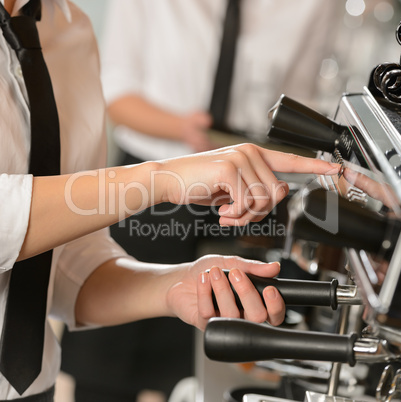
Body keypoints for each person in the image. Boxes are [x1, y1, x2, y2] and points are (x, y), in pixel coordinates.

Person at [0, 0, 340, 400]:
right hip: (156, 179)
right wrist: (161, 178)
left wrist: (172, 285)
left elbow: (62, 258)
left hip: (32, 387)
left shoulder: (70, 29)